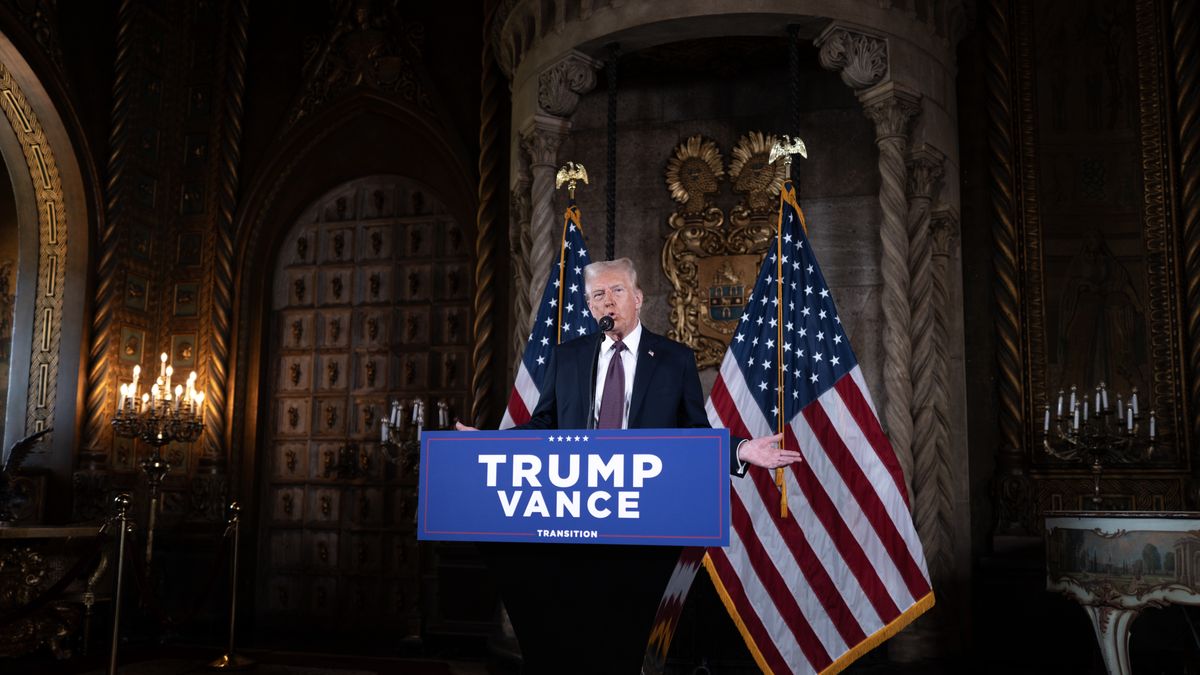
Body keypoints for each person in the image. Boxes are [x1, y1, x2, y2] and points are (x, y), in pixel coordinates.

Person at [457, 258, 796, 673]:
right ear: (589, 306)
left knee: (627, 641)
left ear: (637, 299)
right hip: (579, 515)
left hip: (644, 521)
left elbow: (693, 431)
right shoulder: (569, 357)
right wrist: (488, 447)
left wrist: (740, 450)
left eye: (617, 291)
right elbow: (544, 424)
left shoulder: (673, 359)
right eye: (598, 295)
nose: (608, 302)